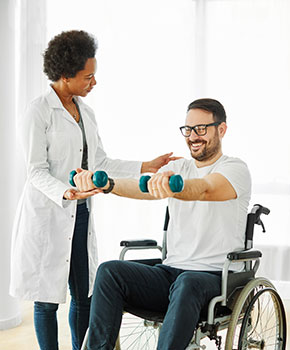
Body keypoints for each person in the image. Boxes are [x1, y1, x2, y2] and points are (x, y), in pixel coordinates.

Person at [9, 30, 178, 350]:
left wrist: (146, 165)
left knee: (83, 294)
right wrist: (65, 192)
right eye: (88, 76)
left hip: (82, 214)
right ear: (64, 75)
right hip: (50, 214)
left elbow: (100, 161)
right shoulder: (38, 111)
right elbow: (35, 171)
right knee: (46, 300)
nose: (94, 83)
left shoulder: (86, 112)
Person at [73, 98, 252, 350]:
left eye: (201, 129)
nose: (193, 136)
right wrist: (108, 184)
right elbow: (141, 186)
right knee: (110, 271)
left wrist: (172, 186)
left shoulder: (235, 169)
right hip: (172, 272)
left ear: (221, 129)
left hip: (216, 279)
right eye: (188, 130)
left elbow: (206, 189)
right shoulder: (178, 167)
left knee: (188, 281)